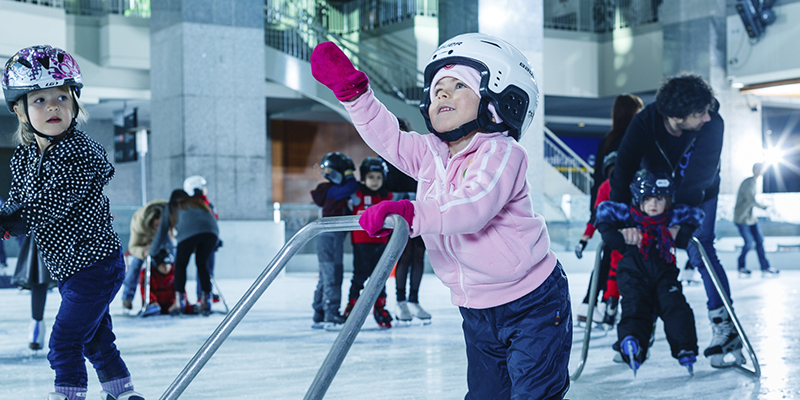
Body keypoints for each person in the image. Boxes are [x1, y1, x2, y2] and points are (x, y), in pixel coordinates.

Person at [311, 33, 572, 399]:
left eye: (458, 86)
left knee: (533, 393)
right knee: (485, 395)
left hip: (533, 302)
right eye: (437, 90)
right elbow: (389, 138)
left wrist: (412, 213)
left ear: (499, 101)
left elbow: (473, 205)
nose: (443, 95)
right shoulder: (430, 154)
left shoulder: (501, 153)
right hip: (475, 308)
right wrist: (355, 95)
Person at [1, 45, 144, 400]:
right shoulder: (23, 159)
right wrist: (6, 218)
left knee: (64, 340)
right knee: (95, 338)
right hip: (67, 268)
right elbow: (17, 202)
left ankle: (68, 393)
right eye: (40, 100)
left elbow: (57, 198)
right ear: (20, 111)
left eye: (62, 98)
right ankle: (121, 391)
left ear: (75, 103)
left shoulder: (81, 152)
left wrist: (14, 219)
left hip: (96, 264)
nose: (53, 106)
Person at [609, 73, 742, 368]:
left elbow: (699, 177)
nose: (707, 117)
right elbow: (623, 169)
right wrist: (618, 219)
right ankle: (641, 326)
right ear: (676, 116)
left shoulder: (713, 123)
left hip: (700, 192)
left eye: (707, 110)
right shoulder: (645, 122)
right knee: (644, 250)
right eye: (699, 113)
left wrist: (681, 222)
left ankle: (725, 326)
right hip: (656, 194)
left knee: (700, 247)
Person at [596, 170, 704, 376]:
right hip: (633, 273)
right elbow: (603, 210)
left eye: (660, 199)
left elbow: (696, 214)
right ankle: (632, 342)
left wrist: (680, 230)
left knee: (676, 306)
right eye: (647, 198)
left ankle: (685, 347)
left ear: (668, 200)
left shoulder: (670, 219)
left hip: (664, 274)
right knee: (635, 306)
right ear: (639, 199)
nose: (653, 203)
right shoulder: (630, 216)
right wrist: (616, 233)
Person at [389, 118, 431, 324]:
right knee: (404, 256)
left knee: (418, 256)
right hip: (399, 208)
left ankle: (414, 299)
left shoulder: (417, 151)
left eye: (403, 129)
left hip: (419, 206)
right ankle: (401, 301)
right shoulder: (386, 154)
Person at [151, 189, 219, 316]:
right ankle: (206, 302)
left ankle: (179, 302)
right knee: (202, 264)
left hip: (189, 234)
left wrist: (152, 251)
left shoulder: (171, 207)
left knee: (181, 265)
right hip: (212, 233)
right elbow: (210, 219)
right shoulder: (198, 203)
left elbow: (162, 231)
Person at [344, 157, 394, 328]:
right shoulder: (358, 195)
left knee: (380, 277)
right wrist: (348, 172)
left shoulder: (387, 196)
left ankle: (380, 307)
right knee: (360, 275)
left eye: (379, 177)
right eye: (371, 177)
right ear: (364, 178)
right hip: (361, 244)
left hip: (381, 243)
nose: (375, 181)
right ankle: (352, 306)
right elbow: (349, 186)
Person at [310, 152, 358, 329]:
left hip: (330, 238)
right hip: (330, 239)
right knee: (332, 275)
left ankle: (319, 312)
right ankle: (330, 312)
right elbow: (351, 186)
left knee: (325, 276)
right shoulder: (331, 191)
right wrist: (349, 174)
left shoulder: (332, 192)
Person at [575, 151, 621, 330]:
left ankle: (598, 305)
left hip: (614, 236)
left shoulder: (607, 186)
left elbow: (596, 215)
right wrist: (583, 240)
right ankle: (601, 305)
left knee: (606, 268)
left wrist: (584, 240)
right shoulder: (609, 186)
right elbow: (597, 215)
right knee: (609, 269)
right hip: (617, 237)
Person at [122, 199, 168, 313]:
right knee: (136, 264)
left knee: (174, 258)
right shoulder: (139, 224)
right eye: (156, 225)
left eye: (160, 225)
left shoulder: (169, 213)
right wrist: (143, 252)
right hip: (145, 243)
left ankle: (177, 296)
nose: (158, 228)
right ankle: (127, 297)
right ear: (151, 222)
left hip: (163, 237)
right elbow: (133, 247)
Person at [12, 233, 56, 350]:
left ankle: (36, 331)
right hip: (42, 234)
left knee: (72, 284)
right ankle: (36, 330)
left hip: (63, 233)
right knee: (39, 277)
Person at [183, 175, 223, 303]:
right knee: (203, 266)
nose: (206, 189)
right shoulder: (195, 205)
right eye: (203, 187)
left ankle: (207, 291)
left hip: (210, 239)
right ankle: (202, 294)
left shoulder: (206, 203)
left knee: (208, 267)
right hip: (200, 240)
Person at [733, 162, 778, 277]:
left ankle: (765, 267)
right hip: (741, 218)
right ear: (754, 169)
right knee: (749, 242)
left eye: (761, 169)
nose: (760, 170)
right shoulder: (748, 182)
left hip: (751, 218)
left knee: (759, 240)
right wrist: (765, 207)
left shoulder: (754, 182)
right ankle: (741, 267)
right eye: (758, 168)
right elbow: (751, 200)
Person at [137, 249, 177, 316]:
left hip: (171, 305)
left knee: (182, 306)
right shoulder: (147, 273)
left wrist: (178, 302)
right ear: (156, 265)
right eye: (163, 265)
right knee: (154, 309)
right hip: (154, 305)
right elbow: (145, 290)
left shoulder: (174, 272)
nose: (166, 267)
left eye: (168, 264)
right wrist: (152, 301)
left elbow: (180, 290)